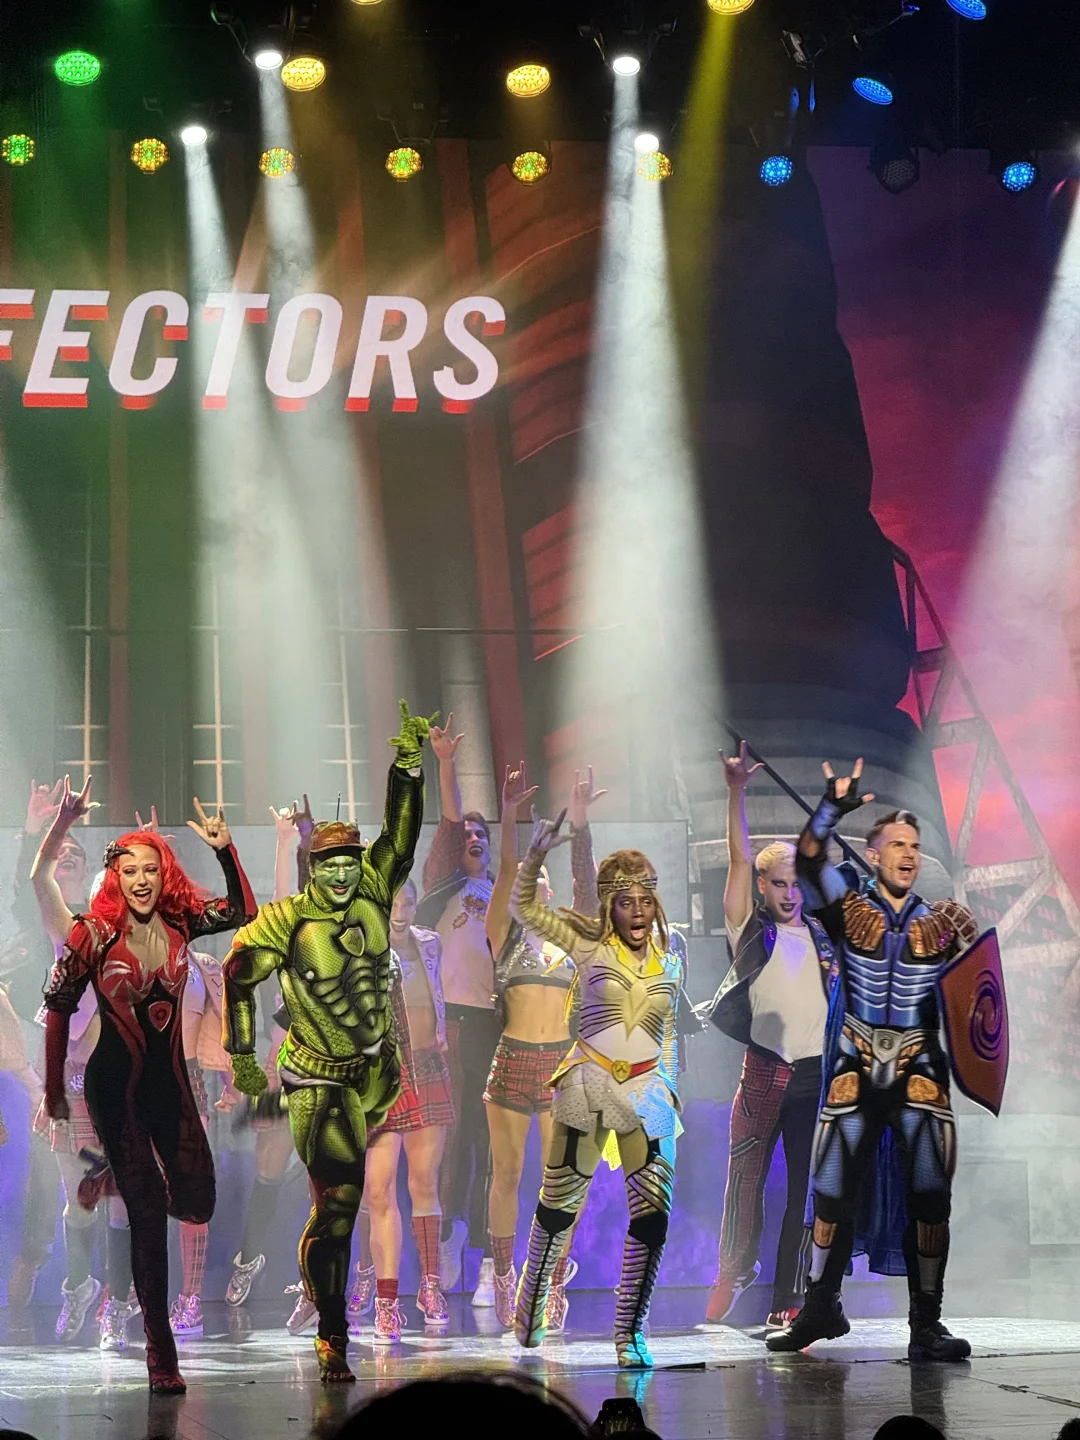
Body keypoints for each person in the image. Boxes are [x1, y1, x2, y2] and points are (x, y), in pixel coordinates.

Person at [223, 703, 431, 1383]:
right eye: (329, 864)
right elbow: (237, 972)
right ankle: (333, 1331)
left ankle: (333, 1286)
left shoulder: (375, 889)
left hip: (380, 1073)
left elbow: (400, 840)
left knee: (363, 1199)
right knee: (341, 1203)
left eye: (349, 862)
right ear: (312, 866)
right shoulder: (286, 920)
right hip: (316, 1080)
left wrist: (407, 770)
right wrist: (244, 1055)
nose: (342, 874)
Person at [36, 777, 256, 1393]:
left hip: (170, 1082)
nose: (140, 879)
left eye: (150, 870)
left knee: (198, 1202)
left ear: (164, 877)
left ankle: (117, 1179)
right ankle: (162, 1353)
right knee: (148, 1211)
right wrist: (54, 1093)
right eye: (129, 870)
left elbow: (242, 912)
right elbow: (58, 1010)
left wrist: (226, 850)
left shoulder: (182, 922)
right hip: (113, 1086)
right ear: (115, 877)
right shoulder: (92, 933)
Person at [767, 760, 978, 1361]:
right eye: (897, 844)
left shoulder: (943, 923)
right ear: (873, 853)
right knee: (831, 1191)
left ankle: (926, 1325)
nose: (908, 854)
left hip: (919, 1068)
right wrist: (829, 809)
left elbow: (977, 1002)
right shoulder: (848, 909)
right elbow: (810, 862)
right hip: (855, 1065)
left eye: (915, 845)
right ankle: (821, 1306)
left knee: (930, 1196)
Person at [511, 812, 683, 1369]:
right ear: (610, 905)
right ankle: (532, 1301)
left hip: (649, 1092)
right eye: (626, 902)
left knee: (653, 1214)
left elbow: (668, 1034)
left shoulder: (671, 958)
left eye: (646, 901)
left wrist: (669, 1090)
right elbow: (525, 909)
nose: (638, 912)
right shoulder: (587, 944)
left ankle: (630, 1332)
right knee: (559, 1206)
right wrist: (535, 856)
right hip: (588, 1082)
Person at [703, 743, 835, 1328]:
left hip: (813, 1078)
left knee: (805, 1193)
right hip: (763, 1072)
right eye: (778, 883)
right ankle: (734, 1270)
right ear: (762, 885)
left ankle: (791, 1292)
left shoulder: (824, 938)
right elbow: (736, 860)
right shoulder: (751, 932)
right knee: (745, 1184)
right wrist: (736, 793)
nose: (789, 893)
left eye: (795, 883)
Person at [482, 764, 600, 1330]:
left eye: (544, 880)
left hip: (561, 1067)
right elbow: (507, 869)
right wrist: (509, 817)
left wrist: (580, 821)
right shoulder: (503, 935)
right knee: (506, 1174)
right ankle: (505, 1278)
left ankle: (549, 1278)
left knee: (562, 1181)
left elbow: (588, 889)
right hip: (511, 1061)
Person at [415, 716, 501, 1302]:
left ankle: (493, 1257)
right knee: (452, 1140)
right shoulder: (444, 888)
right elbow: (448, 826)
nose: (474, 837)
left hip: (496, 1027)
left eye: (482, 833)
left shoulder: (504, 894)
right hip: (453, 1028)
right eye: (467, 833)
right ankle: (447, 1237)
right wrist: (446, 764)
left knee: (490, 1140)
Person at [354, 876, 453, 1343]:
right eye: (393, 902)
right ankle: (377, 1287)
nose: (401, 911)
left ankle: (430, 1285)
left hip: (427, 1066)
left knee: (424, 1181)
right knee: (376, 1188)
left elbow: (437, 996)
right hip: (383, 1074)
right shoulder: (362, 948)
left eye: (409, 902)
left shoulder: (430, 944)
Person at [4, 780, 87, 1318]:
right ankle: (32, 1259)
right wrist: (37, 829)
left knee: (87, 1166)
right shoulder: (39, 916)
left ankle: (93, 1279)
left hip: (89, 1050)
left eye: (78, 853)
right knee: (39, 1161)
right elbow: (24, 884)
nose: (69, 856)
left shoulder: (100, 917)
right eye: (63, 851)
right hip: (37, 1047)